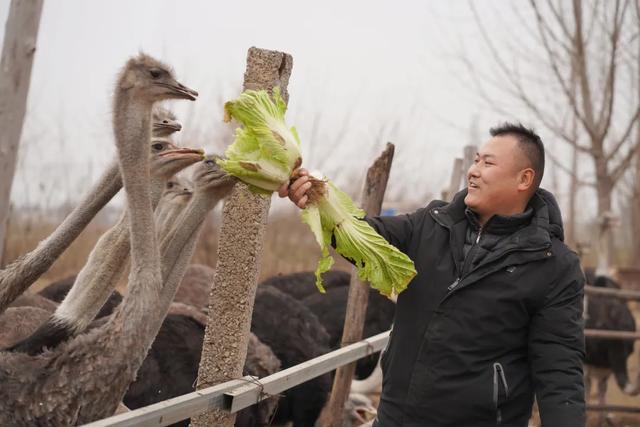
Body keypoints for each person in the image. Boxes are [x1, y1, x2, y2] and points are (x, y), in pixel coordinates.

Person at [279, 123, 585, 427]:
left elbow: (559, 370)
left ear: (524, 179)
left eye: (488, 163)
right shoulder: (432, 223)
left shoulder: (554, 266)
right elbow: (366, 238)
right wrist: (317, 198)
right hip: (395, 418)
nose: (474, 171)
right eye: (476, 160)